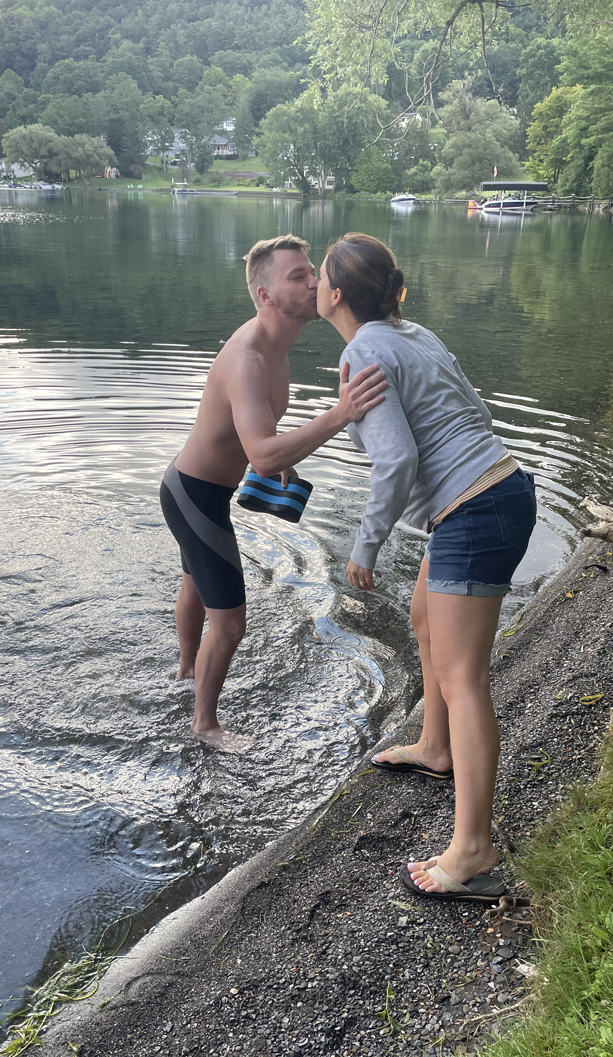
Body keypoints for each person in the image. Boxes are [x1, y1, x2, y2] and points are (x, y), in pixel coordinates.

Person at [316, 232, 536, 901]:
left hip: (475, 509)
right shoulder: (414, 333)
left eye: (320, 274)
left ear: (335, 293)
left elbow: (398, 461)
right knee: (422, 619)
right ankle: (435, 747)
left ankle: (474, 848)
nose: (316, 286)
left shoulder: (362, 353)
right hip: (497, 487)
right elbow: (473, 410)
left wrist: (365, 545)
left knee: (463, 676)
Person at [160, 234, 386, 752]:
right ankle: (204, 725)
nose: (315, 283)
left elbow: (258, 439)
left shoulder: (275, 344)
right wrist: (341, 413)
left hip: (196, 489)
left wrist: (287, 457)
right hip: (194, 495)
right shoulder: (249, 360)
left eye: (312, 273)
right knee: (232, 623)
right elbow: (261, 454)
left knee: (196, 575)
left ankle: (184, 667)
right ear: (265, 295)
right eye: (298, 277)